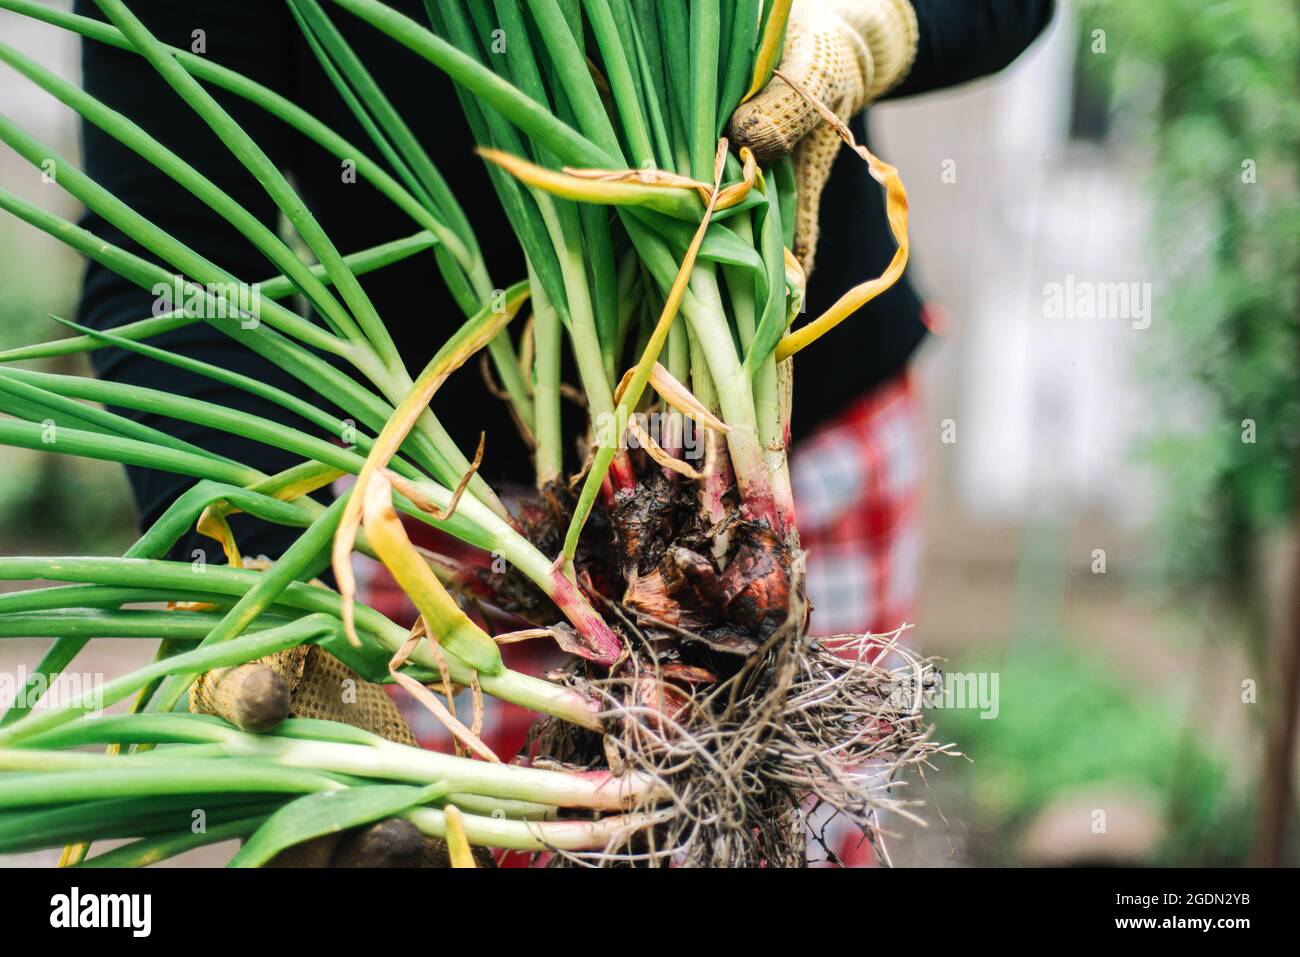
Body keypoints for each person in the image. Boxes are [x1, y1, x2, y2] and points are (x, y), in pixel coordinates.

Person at [73, 0, 1054, 862]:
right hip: (446, 515)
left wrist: (870, 20)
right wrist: (255, 580)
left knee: (799, 833)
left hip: (801, 452)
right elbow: (170, 261)